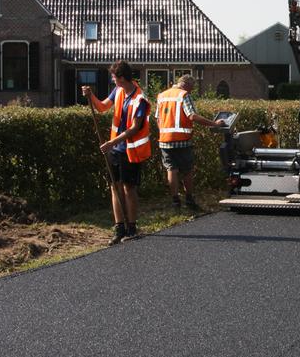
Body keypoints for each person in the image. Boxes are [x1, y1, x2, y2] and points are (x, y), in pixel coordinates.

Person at [82, 60, 151, 245]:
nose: (112, 80)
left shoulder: (140, 99)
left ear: (121, 78)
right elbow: (102, 107)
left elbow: (135, 128)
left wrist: (112, 142)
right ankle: (119, 227)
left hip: (131, 150)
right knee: (115, 186)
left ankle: (132, 227)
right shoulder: (118, 91)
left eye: (114, 77)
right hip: (116, 149)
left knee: (129, 188)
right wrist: (91, 96)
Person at [155, 74, 225, 211]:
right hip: (182, 141)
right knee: (187, 170)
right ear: (187, 85)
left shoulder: (162, 96)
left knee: (171, 169)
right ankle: (189, 199)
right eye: (192, 88)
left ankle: (175, 201)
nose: (191, 91)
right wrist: (214, 124)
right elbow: (192, 115)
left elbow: (158, 118)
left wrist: (164, 132)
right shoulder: (184, 95)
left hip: (164, 140)